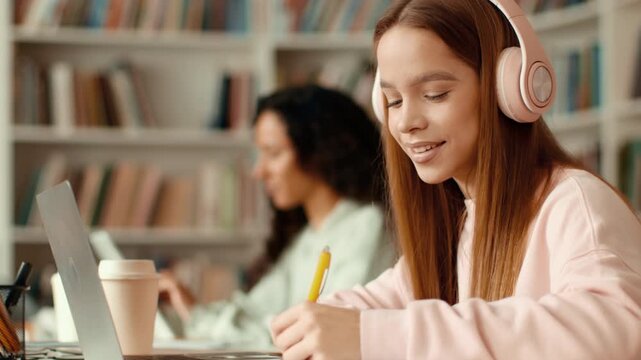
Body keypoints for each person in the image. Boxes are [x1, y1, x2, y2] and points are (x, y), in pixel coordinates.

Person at [270, 1, 641, 359]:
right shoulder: (456, 224)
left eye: (434, 94)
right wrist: (321, 323)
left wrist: (376, 335)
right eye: (394, 101)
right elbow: (374, 304)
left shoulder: (575, 202)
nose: (405, 122)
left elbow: (619, 331)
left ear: (506, 88)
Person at [159, 85, 395, 348]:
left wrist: (198, 317)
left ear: (320, 152)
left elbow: (313, 329)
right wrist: (188, 310)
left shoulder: (366, 227)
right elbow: (254, 312)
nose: (258, 171)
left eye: (273, 153)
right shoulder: (308, 237)